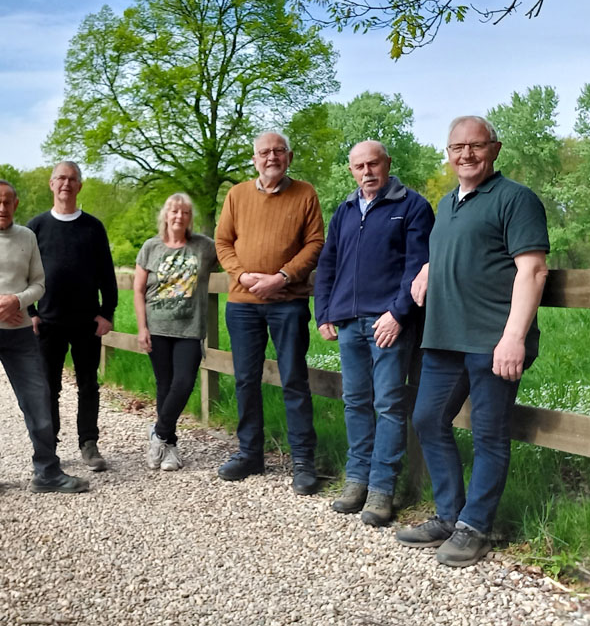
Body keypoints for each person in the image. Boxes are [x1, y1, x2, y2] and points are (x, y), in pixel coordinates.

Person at [397, 116, 549, 567]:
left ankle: (476, 527)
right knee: (427, 420)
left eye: (476, 145)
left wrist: (513, 337)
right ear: (448, 153)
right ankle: (449, 516)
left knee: (488, 434)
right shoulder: (447, 204)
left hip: (492, 341)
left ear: (494, 149)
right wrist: (428, 268)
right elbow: (455, 250)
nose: (466, 154)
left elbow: (532, 270)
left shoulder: (516, 199)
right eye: (457, 147)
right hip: (444, 339)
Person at [314, 140, 434, 526]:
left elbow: (418, 267)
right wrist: (324, 312)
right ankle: (357, 481)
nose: (367, 172)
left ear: (387, 163)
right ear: (351, 170)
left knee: (389, 404)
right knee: (354, 402)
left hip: (389, 323)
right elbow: (329, 262)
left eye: (373, 164)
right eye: (359, 166)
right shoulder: (345, 210)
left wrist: (398, 314)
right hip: (349, 322)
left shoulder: (412, 206)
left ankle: (382, 489)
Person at [0, 179, 89, 499]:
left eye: (7, 202)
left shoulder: (27, 237)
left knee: (38, 396)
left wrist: (17, 301)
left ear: (16, 204)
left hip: (19, 331)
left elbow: (38, 284)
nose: (1, 208)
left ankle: (47, 470)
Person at [214, 131, 325, 493]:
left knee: (294, 379)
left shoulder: (305, 194)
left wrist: (282, 277)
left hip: (287, 303)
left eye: (279, 151)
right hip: (243, 304)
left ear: (289, 157)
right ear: (254, 159)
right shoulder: (237, 195)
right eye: (264, 152)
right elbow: (223, 242)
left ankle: (303, 460)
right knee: (246, 380)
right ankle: (250, 453)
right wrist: (243, 276)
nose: (271, 157)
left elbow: (315, 243)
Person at [27, 161, 118, 472]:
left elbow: (106, 273)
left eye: (72, 179)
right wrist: (30, 312)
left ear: (80, 185)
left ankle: (88, 443)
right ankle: (48, 445)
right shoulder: (36, 227)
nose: (66, 184)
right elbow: (22, 273)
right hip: (47, 322)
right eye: (61, 178)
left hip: (86, 322)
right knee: (48, 387)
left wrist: (107, 312)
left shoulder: (93, 227)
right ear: (51, 184)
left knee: (88, 385)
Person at [133, 193, 218, 471]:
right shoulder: (151, 247)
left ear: (190, 218)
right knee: (165, 385)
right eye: (174, 211)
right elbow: (138, 290)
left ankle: (158, 434)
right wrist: (142, 328)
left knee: (183, 383)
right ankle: (169, 447)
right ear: (166, 216)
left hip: (190, 328)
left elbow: (230, 251)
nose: (179, 216)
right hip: (157, 327)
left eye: (185, 212)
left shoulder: (204, 246)